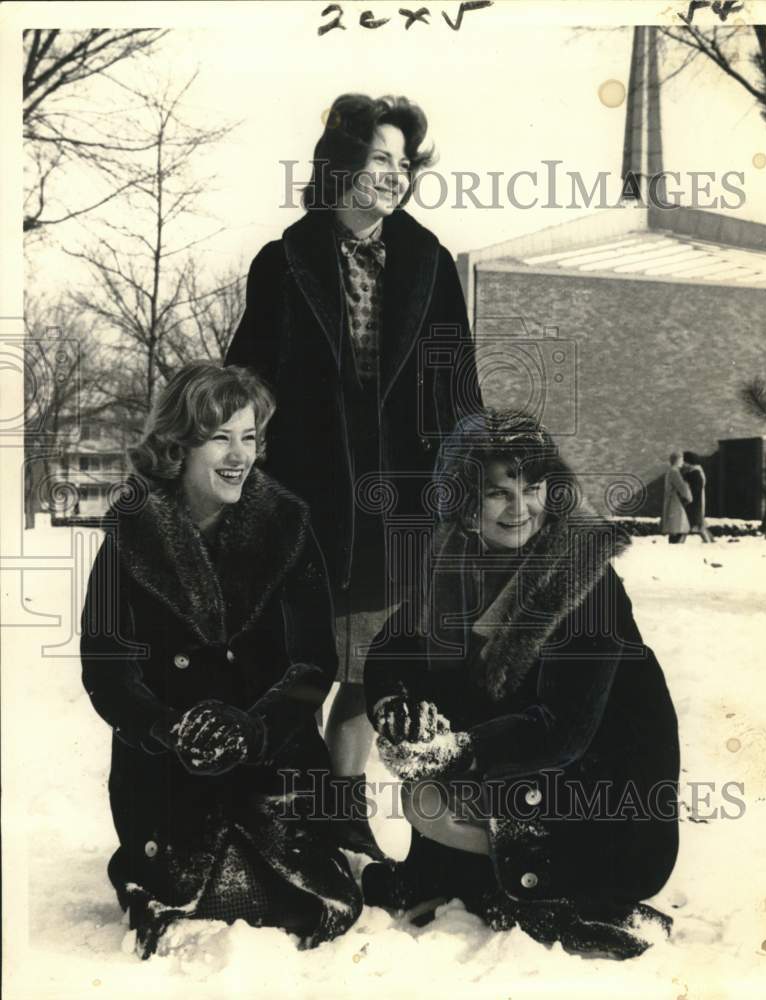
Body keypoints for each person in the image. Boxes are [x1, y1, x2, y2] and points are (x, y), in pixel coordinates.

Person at [225, 93, 482, 856]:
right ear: (339, 164)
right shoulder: (282, 262)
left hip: (398, 504)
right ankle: (287, 824)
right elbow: (249, 376)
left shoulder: (429, 263)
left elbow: (457, 384)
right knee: (299, 672)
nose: (394, 177)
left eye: (403, 164)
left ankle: (343, 820)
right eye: (379, 160)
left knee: (372, 675)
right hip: (304, 502)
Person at [362, 410, 680, 959]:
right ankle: (454, 872)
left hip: (607, 807)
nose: (521, 508)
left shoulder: (585, 579)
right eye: (497, 493)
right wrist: (396, 706)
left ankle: (555, 894)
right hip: (526, 784)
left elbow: (565, 731)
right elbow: (392, 649)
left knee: (429, 796)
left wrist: (455, 751)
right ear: (463, 500)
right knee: (428, 777)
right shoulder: (454, 563)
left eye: (534, 488)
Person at [80, 362, 362, 959]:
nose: (239, 456)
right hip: (166, 762)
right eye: (220, 438)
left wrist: (257, 727)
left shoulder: (288, 527)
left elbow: (315, 661)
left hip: (273, 753)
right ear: (177, 443)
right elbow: (106, 665)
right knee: (187, 893)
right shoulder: (129, 534)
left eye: (250, 437)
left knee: (301, 903)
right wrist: (167, 727)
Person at [681, 451, 713, 543]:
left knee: (692, 524)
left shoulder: (694, 473)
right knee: (697, 525)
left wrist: (687, 499)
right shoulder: (696, 472)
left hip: (694, 503)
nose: (683, 464)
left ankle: (708, 542)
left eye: (684, 461)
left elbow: (695, 490)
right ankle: (710, 541)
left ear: (688, 462)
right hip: (695, 502)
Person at [661, 451, 693, 544]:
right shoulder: (674, 472)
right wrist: (689, 497)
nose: (683, 462)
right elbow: (681, 486)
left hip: (672, 501)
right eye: (682, 459)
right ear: (678, 460)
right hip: (675, 502)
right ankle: (676, 546)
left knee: (677, 527)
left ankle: (674, 544)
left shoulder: (670, 471)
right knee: (679, 528)